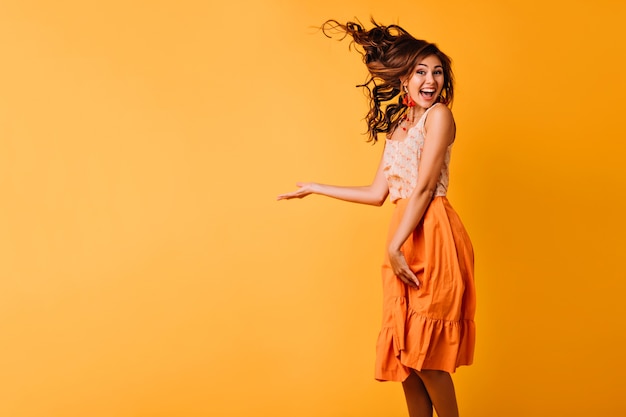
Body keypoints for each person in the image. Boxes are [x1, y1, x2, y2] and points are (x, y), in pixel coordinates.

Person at [277, 19, 476, 417]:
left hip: (431, 233)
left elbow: (423, 188)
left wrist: (394, 244)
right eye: (421, 71)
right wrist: (317, 187)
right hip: (403, 233)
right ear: (404, 78)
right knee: (407, 361)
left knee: (429, 359)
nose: (431, 80)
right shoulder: (400, 128)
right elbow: (377, 193)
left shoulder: (439, 116)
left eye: (437, 72)